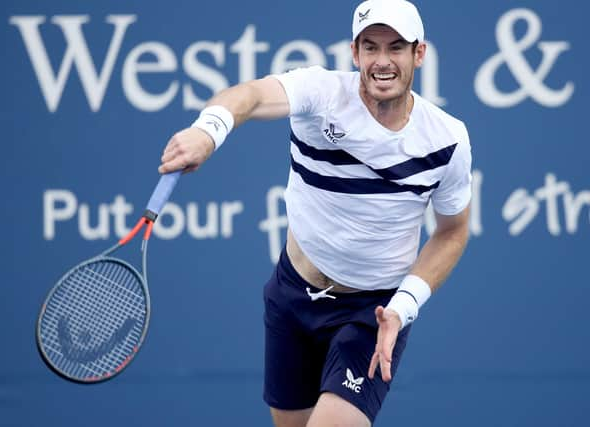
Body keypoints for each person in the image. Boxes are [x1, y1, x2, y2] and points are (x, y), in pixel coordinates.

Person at [159, 0, 472, 425]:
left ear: (419, 54)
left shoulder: (447, 139)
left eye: (396, 48)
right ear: (354, 52)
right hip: (292, 295)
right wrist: (207, 131)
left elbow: (452, 232)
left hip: (373, 313)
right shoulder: (321, 93)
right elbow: (248, 96)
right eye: (371, 47)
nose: (383, 61)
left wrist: (404, 305)